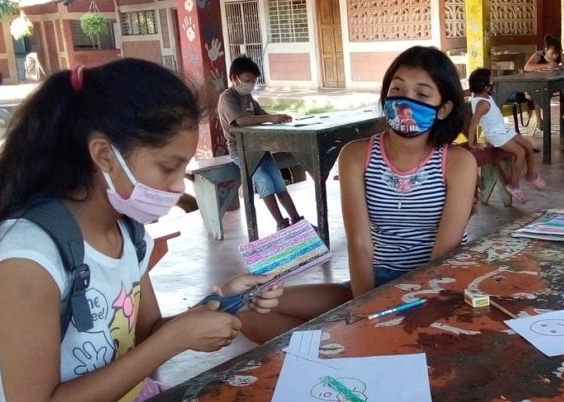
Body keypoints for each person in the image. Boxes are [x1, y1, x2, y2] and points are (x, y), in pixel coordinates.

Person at [0, 59, 300, 402]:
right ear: (104, 156)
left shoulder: (127, 232)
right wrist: (172, 341)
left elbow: (146, 334)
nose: (178, 185)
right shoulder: (28, 256)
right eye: (168, 167)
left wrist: (221, 301)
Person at [339, 46, 477, 297]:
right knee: (252, 312)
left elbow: (444, 252)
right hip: (375, 281)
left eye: (422, 94)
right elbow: (359, 245)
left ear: (443, 109)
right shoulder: (355, 156)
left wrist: (417, 304)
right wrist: (363, 306)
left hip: (439, 285)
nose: (405, 100)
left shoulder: (459, 162)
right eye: (397, 89)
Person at [218, 56, 305, 231]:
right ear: (234, 78)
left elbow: (261, 114)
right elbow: (241, 121)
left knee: (279, 182)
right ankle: (281, 223)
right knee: (265, 181)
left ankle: (296, 220)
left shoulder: (248, 97)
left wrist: (278, 118)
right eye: (247, 80)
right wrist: (271, 117)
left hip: (260, 150)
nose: (250, 84)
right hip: (241, 152)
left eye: (253, 81)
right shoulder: (227, 98)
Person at [466, 67, 545, 204]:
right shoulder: (482, 103)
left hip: (502, 129)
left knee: (528, 146)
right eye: (491, 81)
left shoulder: (484, 96)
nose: (493, 83)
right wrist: (472, 143)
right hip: (495, 134)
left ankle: (531, 175)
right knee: (519, 153)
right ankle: (513, 185)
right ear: (485, 87)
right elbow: (473, 123)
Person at [522, 34, 564, 130]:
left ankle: (544, 120)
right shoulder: (538, 55)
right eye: (552, 53)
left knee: (545, 93)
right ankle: (540, 120)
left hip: (548, 84)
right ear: (545, 49)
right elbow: (527, 67)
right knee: (538, 94)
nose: (554, 56)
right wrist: (547, 65)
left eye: (556, 53)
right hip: (533, 84)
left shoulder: (558, 56)